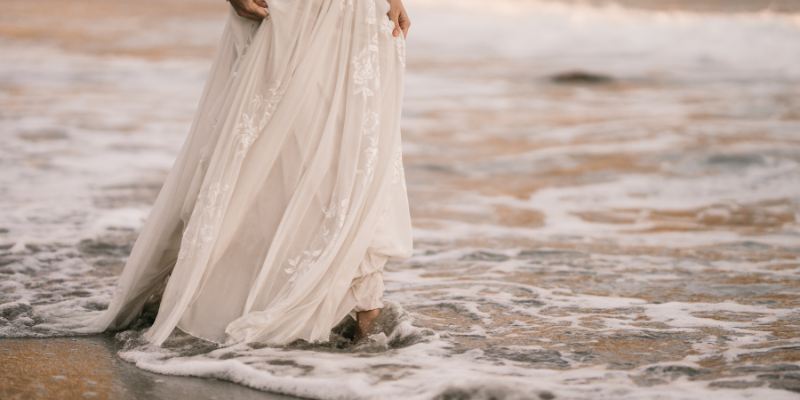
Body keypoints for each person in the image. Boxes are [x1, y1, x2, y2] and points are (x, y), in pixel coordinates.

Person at [45, 0, 412, 346]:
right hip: (289, 12)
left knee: (356, 153)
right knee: (271, 154)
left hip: (361, 15)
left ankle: (363, 302)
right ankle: (240, 298)